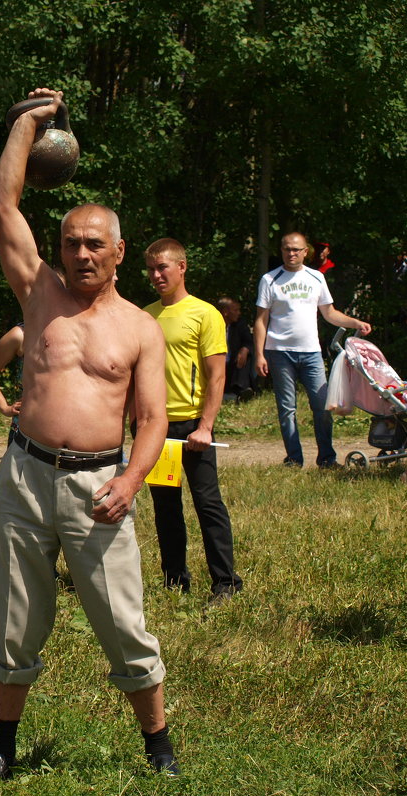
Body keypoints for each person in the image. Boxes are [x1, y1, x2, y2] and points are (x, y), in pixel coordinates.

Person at [0, 88, 176, 782]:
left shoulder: (141, 328)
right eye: (71, 241)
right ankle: (2, 746)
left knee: (124, 623)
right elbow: (4, 207)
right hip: (26, 476)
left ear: (119, 251)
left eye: (96, 243)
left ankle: (158, 746)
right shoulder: (38, 294)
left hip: (99, 485)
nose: (82, 252)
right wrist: (25, 128)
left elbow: (152, 421)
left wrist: (129, 480)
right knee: (15, 618)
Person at [143, 239, 242, 604]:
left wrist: (205, 425)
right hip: (156, 429)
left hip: (192, 428)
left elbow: (217, 376)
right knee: (165, 507)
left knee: (207, 503)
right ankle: (174, 581)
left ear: (182, 267)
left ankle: (226, 582)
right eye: (151, 269)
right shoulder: (146, 314)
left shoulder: (205, 314)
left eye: (163, 268)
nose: (156, 275)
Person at [254, 231, 372, 467]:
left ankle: (327, 458)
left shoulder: (316, 277)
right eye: (287, 249)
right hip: (279, 352)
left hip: (311, 352)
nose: (291, 253)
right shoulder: (270, 279)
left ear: (305, 252)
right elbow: (260, 320)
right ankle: (294, 459)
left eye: (296, 249)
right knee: (287, 408)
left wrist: (355, 323)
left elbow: (330, 313)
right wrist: (259, 354)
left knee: (322, 405)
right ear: (281, 251)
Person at [216, 296, 255, 401]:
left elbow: (248, 341)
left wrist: (245, 349)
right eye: (235, 310)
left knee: (246, 355)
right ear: (225, 312)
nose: (239, 313)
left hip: (233, 363)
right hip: (216, 363)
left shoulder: (239, 324)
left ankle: (242, 390)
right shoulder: (212, 325)